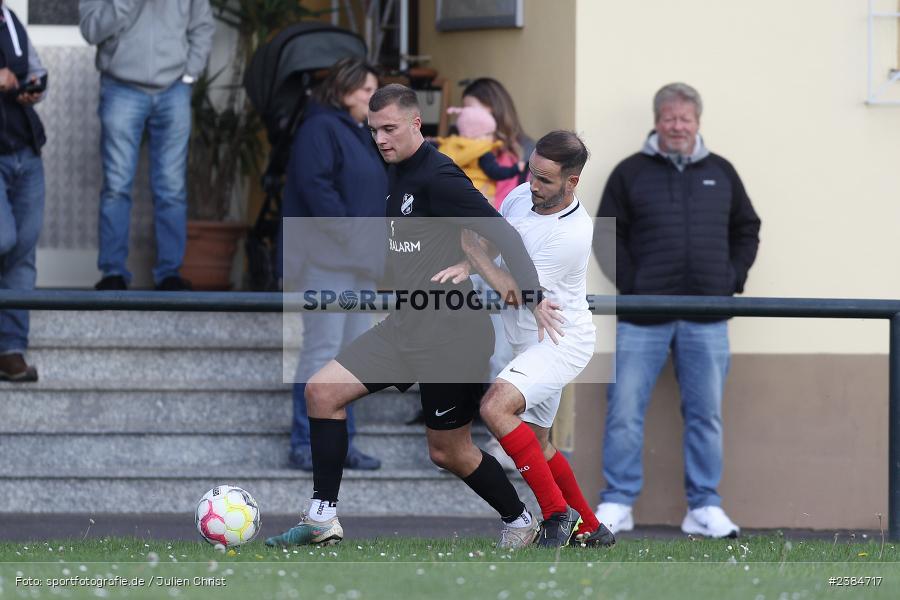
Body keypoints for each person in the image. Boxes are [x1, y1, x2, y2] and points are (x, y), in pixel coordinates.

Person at [266, 84, 561, 550]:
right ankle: (323, 518)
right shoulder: (394, 173)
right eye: (374, 130)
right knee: (322, 393)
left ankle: (521, 519)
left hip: (453, 334)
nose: (381, 139)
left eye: (389, 129)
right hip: (408, 325)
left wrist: (532, 294)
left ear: (415, 124)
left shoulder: (439, 176)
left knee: (449, 452)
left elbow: (501, 233)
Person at [433, 131, 615, 549]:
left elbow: (517, 292)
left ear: (572, 183)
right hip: (520, 336)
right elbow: (493, 244)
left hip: (557, 340)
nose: (532, 184)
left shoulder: (571, 235)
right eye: (531, 172)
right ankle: (590, 526)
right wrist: (470, 259)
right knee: (538, 443)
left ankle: (555, 516)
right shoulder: (520, 195)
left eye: (545, 179)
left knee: (495, 408)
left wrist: (472, 255)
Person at [595, 82, 761, 538]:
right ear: (657, 120)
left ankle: (704, 507)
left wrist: (730, 281)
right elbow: (606, 235)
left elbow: (747, 228)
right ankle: (617, 501)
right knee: (625, 410)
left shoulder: (722, 172)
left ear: (698, 122)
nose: (677, 125)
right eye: (669, 117)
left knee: (705, 414)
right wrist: (633, 283)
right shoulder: (629, 173)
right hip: (642, 315)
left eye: (685, 118)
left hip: (707, 314)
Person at [282, 57, 384, 472]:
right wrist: (352, 234)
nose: (371, 99)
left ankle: (341, 446)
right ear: (343, 89)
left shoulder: (360, 133)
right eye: (365, 91)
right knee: (323, 353)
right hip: (327, 261)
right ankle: (306, 444)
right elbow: (316, 188)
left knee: (352, 359)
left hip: (361, 263)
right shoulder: (320, 128)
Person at [79, 0, 215, 291]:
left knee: (172, 188)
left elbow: (202, 25)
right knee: (116, 186)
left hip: (174, 89)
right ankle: (113, 272)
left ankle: (169, 273)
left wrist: (191, 72)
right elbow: (91, 30)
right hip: (120, 87)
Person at [0, 1, 47, 382]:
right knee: (3, 238)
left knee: (23, 250)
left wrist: (34, 87)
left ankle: (11, 349)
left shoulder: (9, 19)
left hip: (24, 150)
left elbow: (35, 67)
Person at [461, 78, 533, 209]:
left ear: (494, 109)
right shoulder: (466, 150)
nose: (466, 116)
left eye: (471, 109)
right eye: (464, 111)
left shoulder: (527, 154)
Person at [435, 105, 524, 205]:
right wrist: (515, 168)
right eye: (488, 134)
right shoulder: (482, 151)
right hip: (478, 193)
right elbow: (495, 172)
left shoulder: (451, 145)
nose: (492, 137)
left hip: (454, 191)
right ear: (476, 135)